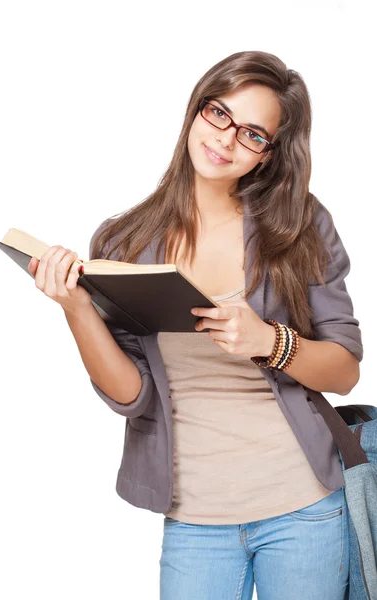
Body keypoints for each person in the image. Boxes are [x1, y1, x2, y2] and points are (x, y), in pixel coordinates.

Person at [27, 50, 362, 600]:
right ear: (196, 111)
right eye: (219, 114)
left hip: (303, 506)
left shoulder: (299, 224)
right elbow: (131, 395)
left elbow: (344, 370)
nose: (226, 139)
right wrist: (76, 307)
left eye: (253, 134)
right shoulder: (124, 242)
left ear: (269, 156)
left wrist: (268, 341)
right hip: (195, 517)